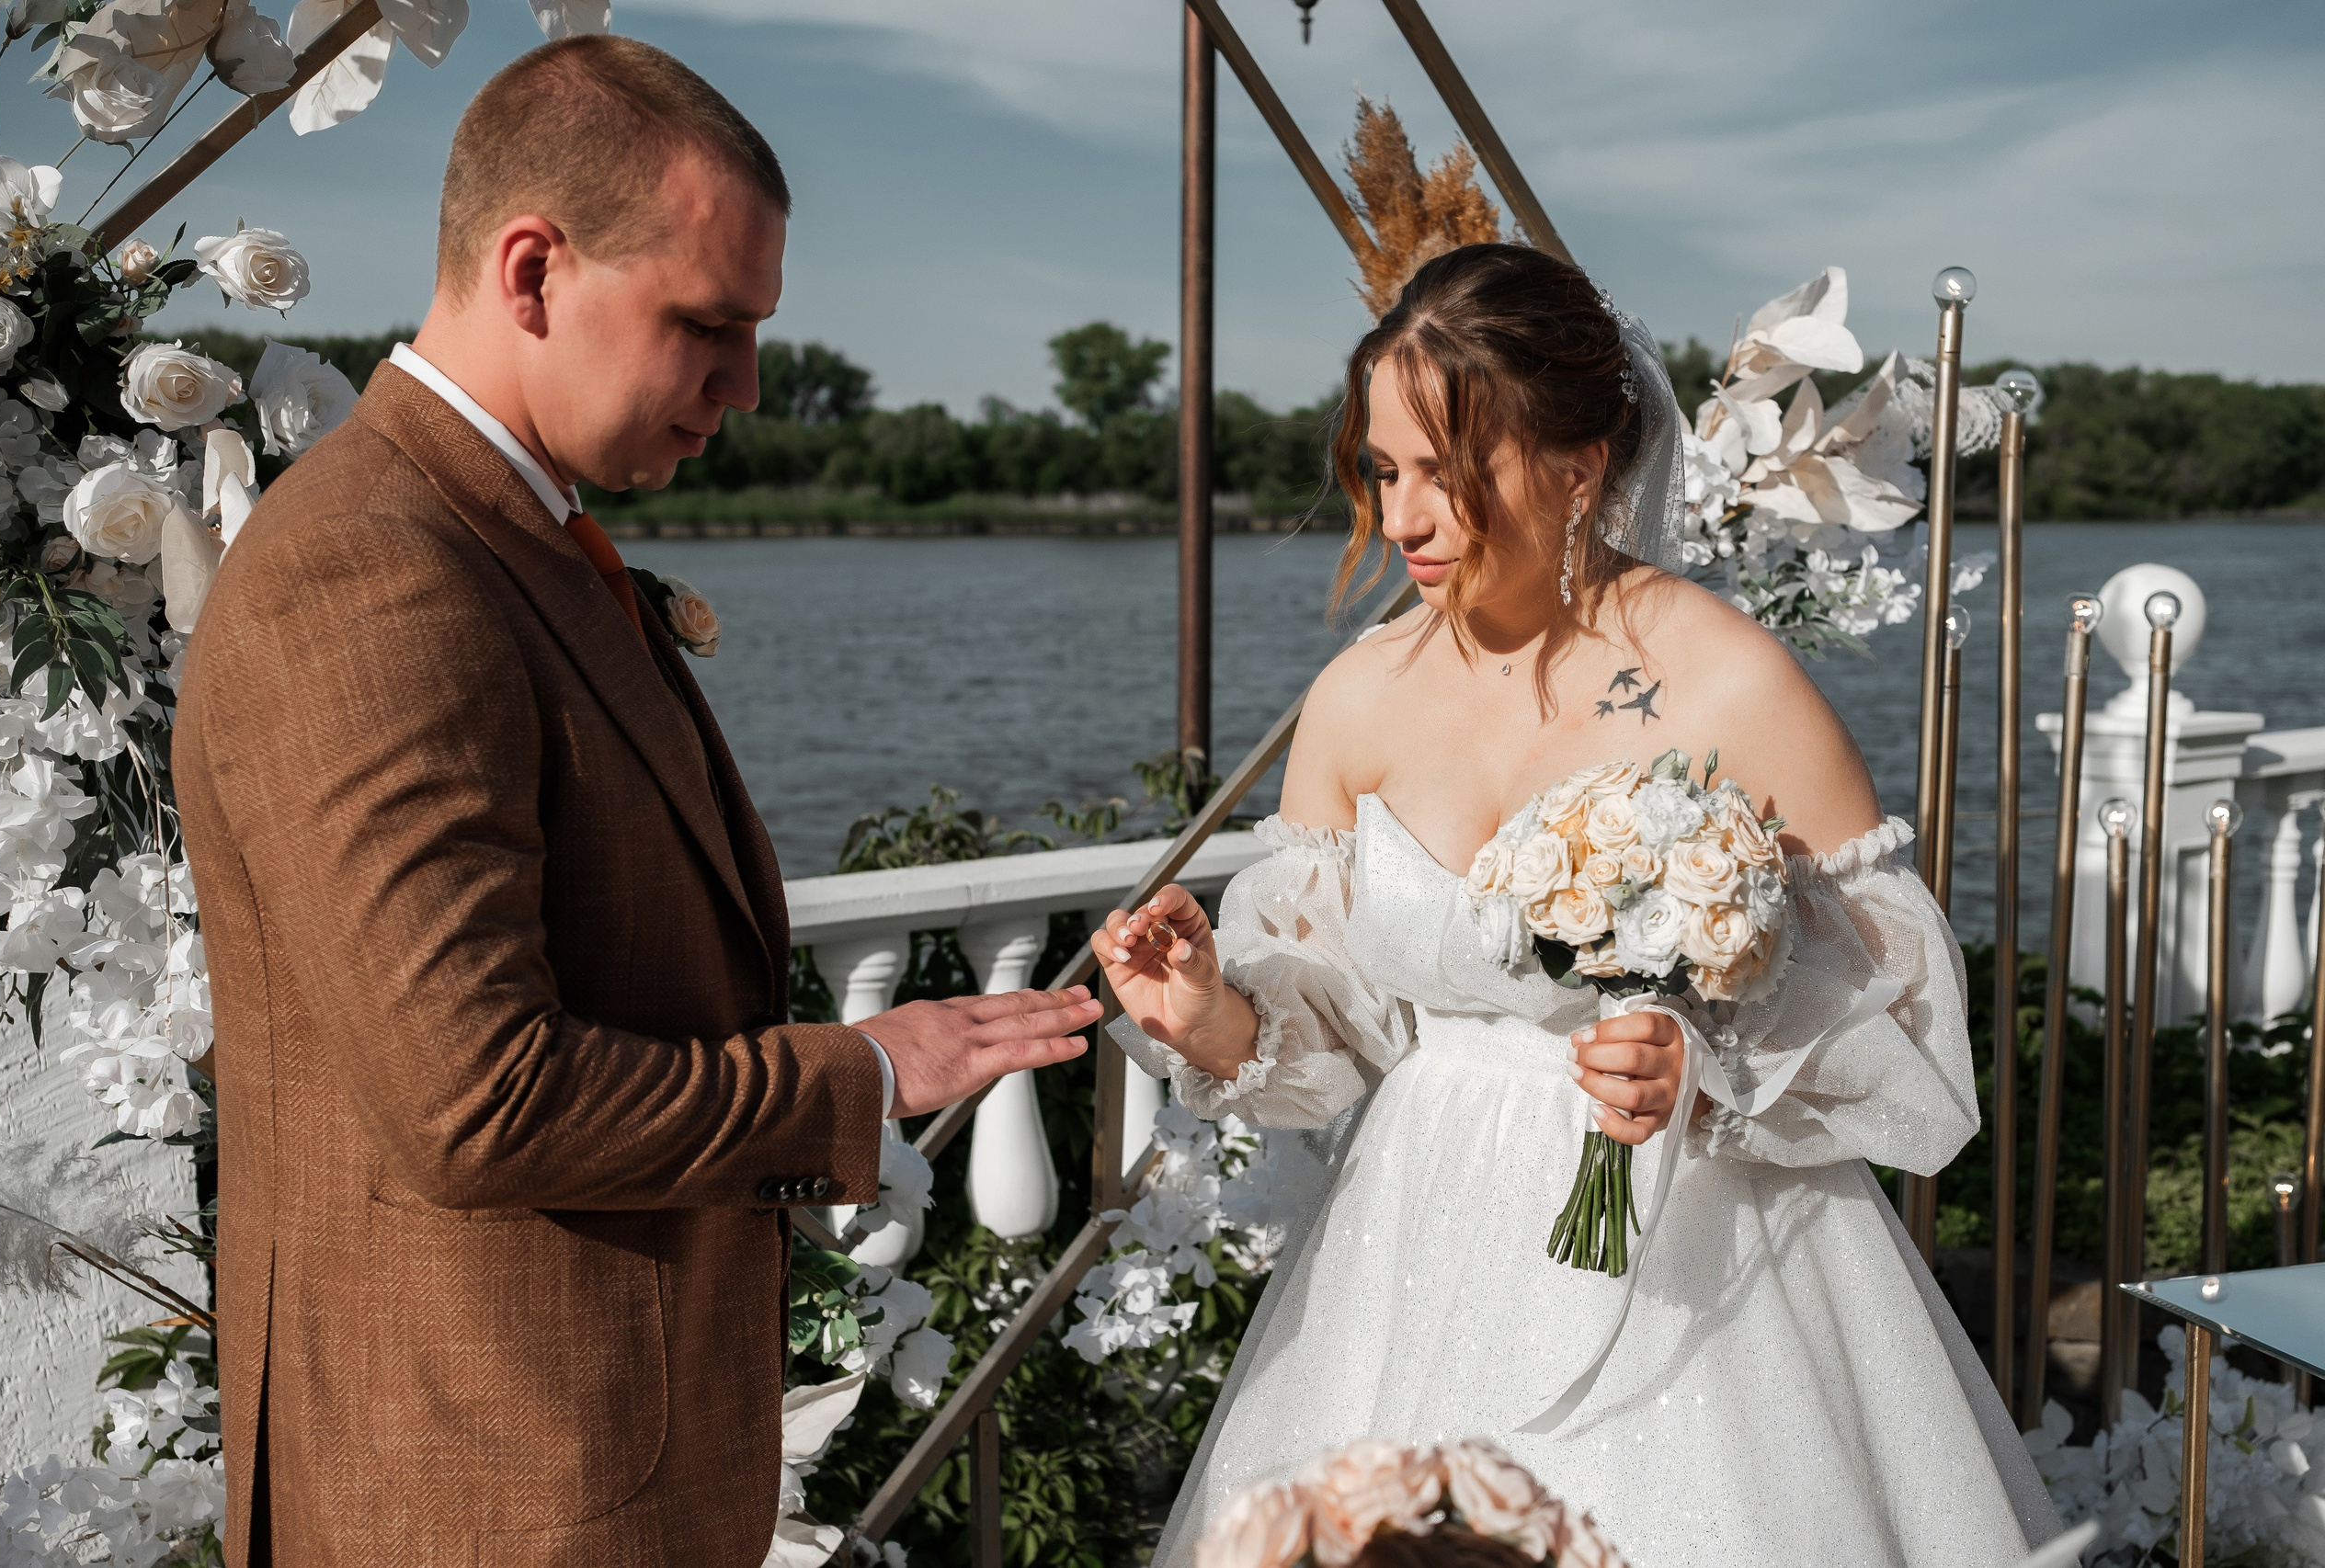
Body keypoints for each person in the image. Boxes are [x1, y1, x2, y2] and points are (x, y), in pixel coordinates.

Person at [172, 36, 1098, 1567]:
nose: (742, 388)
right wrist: (854, 1077)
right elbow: (482, 1099)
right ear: (532, 270)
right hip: (480, 1493)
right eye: (708, 327)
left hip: (587, 1464)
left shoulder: (509, 536)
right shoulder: (372, 570)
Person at [1092, 245, 2061, 1566]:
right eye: (1385, 471)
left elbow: (1909, 1027)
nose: (1409, 517)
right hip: (1416, 1244)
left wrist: (1710, 1057)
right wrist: (1209, 1012)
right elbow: (1343, 1039)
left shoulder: (1731, 686)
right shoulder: (1358, 698)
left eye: (1449, 470)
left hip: (1699, 1254)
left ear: (1579, 462)